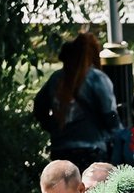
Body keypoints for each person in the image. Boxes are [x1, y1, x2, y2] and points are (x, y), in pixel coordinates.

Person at [33, 31, 121, 169]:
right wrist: (121, 136)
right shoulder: (97, 78)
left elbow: (39, 107)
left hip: (60, 148)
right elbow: (109, 114)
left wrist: (53, 127)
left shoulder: (56, 78)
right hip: (92, 147)